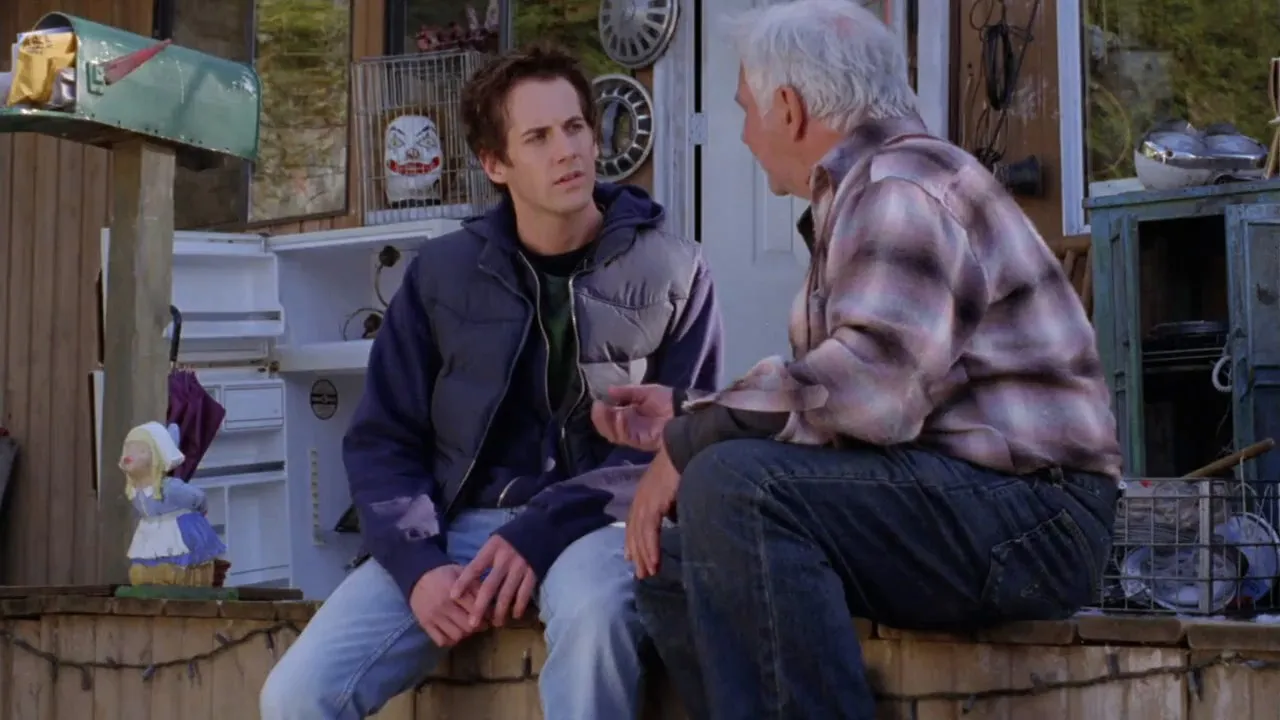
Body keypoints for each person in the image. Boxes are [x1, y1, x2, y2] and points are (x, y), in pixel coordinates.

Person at [590, 2, 1123, 718]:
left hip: (1036, 519)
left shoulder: (901, 187)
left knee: (736, 485)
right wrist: (689, 414)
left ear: (789, 108)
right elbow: (840, 399)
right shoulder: (873, 185)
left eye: (745, 109)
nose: (744, 133)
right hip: (974, 499)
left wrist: (694, 439)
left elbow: (869, 394)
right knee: (675, 563)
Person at [260, 44, 723, 720]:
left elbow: (687, 439)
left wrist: (539, 531)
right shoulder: (441, 274)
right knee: (295, 693)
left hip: (598, 526)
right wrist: (418, 567)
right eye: (538, 137)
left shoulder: (676, 271)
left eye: (575, 127)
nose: (567, 151)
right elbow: (384, 439)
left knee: (596, 621)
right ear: (494, 164)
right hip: (455, 529)